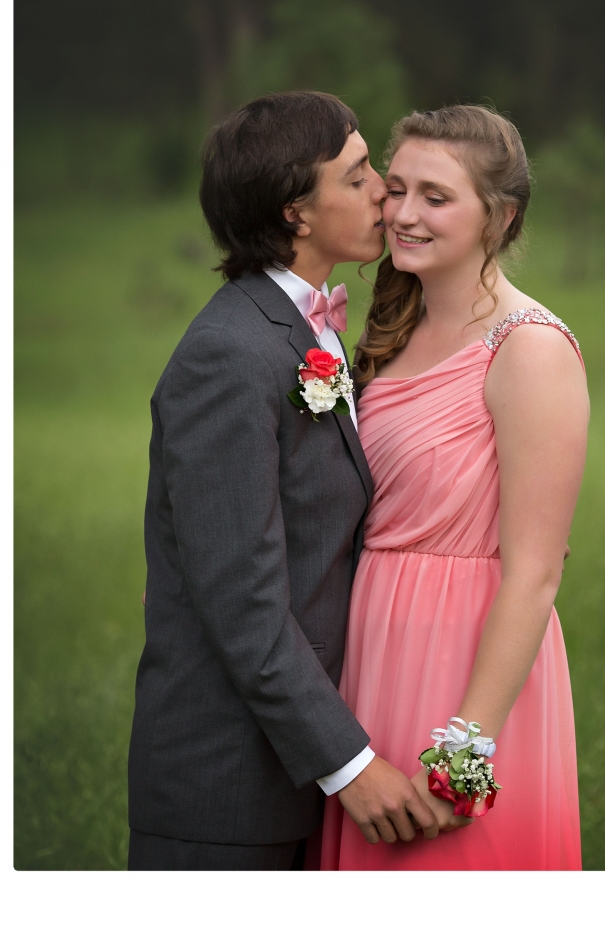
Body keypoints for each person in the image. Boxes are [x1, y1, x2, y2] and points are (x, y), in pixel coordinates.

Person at [127, 91, 439, 870]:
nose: (385, 192)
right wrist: (352, 763)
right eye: (360, 173)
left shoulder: (305, 330)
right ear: (296, 211)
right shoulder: (228, 356)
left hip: (293, 777)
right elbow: (243, 601)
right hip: (227, 790)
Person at [320, 105, 589, 870]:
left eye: (435, 197)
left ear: (498, 218)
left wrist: (464, 752)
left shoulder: (531, 349)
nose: (403, 213)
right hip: (369, 651)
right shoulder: (395, 327)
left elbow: (535, 572)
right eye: (395, 188)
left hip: (467, 666)